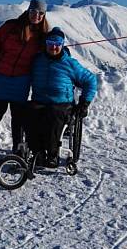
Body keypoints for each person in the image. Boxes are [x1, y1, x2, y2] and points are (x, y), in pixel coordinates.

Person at [0, 0, 50, 151]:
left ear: (44, 15)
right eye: (34, 11)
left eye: (41, 13)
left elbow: (51, 54)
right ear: (28, 11)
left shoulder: (43, 35)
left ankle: (17, 147)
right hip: (1, 75)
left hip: (22, 78)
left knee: (18, 114)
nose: (37, 15)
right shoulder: (10, 27)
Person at [26, 27, 97, 168]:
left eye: (57, 43)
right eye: (51, 42)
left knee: (53, 115)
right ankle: (37, 152)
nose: (54, 46)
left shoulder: (70, 63)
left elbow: (90, 81)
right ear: (46, 43)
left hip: (62, 104)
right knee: (30, 113)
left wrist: (84, 103)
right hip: (39, 101)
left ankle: (53, 154)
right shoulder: (37, 61)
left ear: (62, 45)